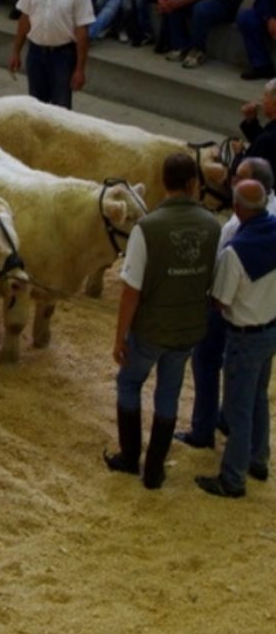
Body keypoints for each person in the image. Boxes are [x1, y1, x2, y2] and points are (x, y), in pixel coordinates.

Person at [104, 152, 220, 490]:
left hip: (151, 329)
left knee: (129, 383)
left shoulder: (147, 228)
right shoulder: (213, 226)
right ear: (192, 183)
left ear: (164, 182)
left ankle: (129, 457)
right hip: (189, 327)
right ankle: (154, 469)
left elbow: (131, 290)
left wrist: (120, 336)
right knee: (169, 392)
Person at [177, 158, 276, 451]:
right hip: (265, 313)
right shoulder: (266, 210)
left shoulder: (242, 231)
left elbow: (222, 290)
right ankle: (254, 452)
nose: (231, 181)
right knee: (256, 391)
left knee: (207, 362)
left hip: (236, 311)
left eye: (238, 178)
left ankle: (206, 431)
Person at [195, 180, 276, 498]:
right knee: (258, 398)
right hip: (270, 328)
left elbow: (221, 300)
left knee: (237, 408)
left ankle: (233, 478)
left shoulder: (235, 251)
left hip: (244, 335)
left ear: (238, 208)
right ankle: (259, 458)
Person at [8, 0, 94, 110]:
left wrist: (79, 69)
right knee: (35, 108)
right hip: (36, 52)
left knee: (60, 110)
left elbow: (82, 30)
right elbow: (25, 17)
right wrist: (16, 51)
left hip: (62, 56)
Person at [238, 78, 276, 178]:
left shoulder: (266, 139)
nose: (261, 100)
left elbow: (242, 172)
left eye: (265, 96)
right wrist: (251, 122)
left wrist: (238, 154)